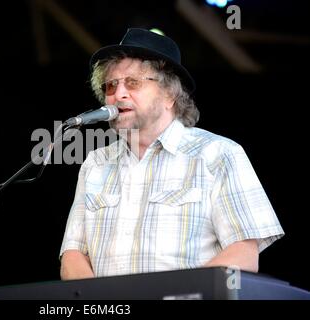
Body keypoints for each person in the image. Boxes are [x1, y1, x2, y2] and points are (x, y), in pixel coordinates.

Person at [59, 28, 284, 280]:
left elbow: (243, 254)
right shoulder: (95, 164)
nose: (118, 94)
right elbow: (73, 255)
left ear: (170, 94)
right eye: (111, 85)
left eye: (133, 82)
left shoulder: (219, 154)